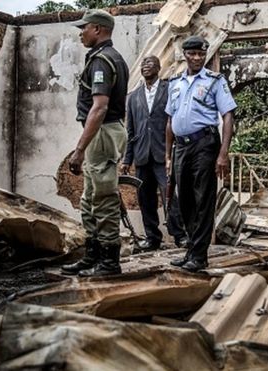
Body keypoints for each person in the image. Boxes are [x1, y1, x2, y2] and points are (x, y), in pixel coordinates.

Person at [61, 9, 129, 277]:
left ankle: (110, 262)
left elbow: (99, 108)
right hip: (101, 134)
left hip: (102, 132)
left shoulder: (103, 60)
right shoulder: (109, 58)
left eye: (84, 28)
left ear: (98, 29)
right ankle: (92, 256)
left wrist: (78, 150)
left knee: (103, 198)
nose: (81, 33)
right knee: (90, 198)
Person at [165, 35, 237, 272]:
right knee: (184, 200)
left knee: (203, 199)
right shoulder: (175, 83)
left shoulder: (216, 81)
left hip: (205, 144)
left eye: (201, 54)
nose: (197, 58)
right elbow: (169, 121)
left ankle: (199, 256)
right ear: (184, 55)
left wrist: (223, 153)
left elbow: (227, 115)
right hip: (181, 147)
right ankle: (190, 251)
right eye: (192, 54)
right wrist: (168, 155)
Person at [120, 56, 189, 252]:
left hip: (163, 154)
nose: (145, 67)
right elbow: (131, 131)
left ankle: (179, 235)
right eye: (143, 64)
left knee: (169, 196)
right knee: (145, 198)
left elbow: (175, 121)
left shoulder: (169, 91)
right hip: (142, 156)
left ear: (159, 68)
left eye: (150, 64)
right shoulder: (133, 97)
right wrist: (127, 159)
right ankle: (152, 238)